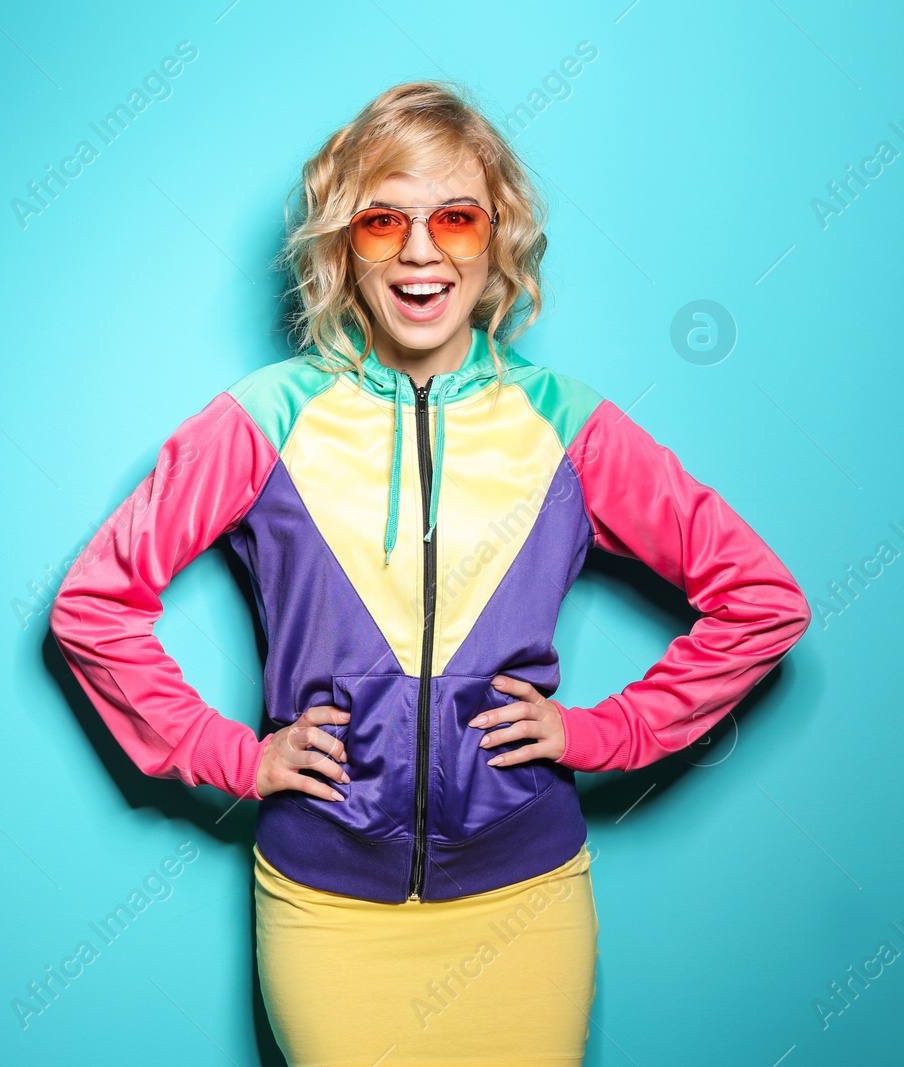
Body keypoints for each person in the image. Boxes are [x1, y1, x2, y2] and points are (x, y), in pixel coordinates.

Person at [47, 80, 811, 1065]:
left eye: (454, 217)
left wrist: (603, 732)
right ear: (341, 246)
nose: (419, 251)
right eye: (381, 221)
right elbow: (91, 606)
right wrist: (234, 758)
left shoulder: (566, 423)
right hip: (324, 909)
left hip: (524, 904)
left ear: (497, 239)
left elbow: (761, 601)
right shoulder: (264, 417)